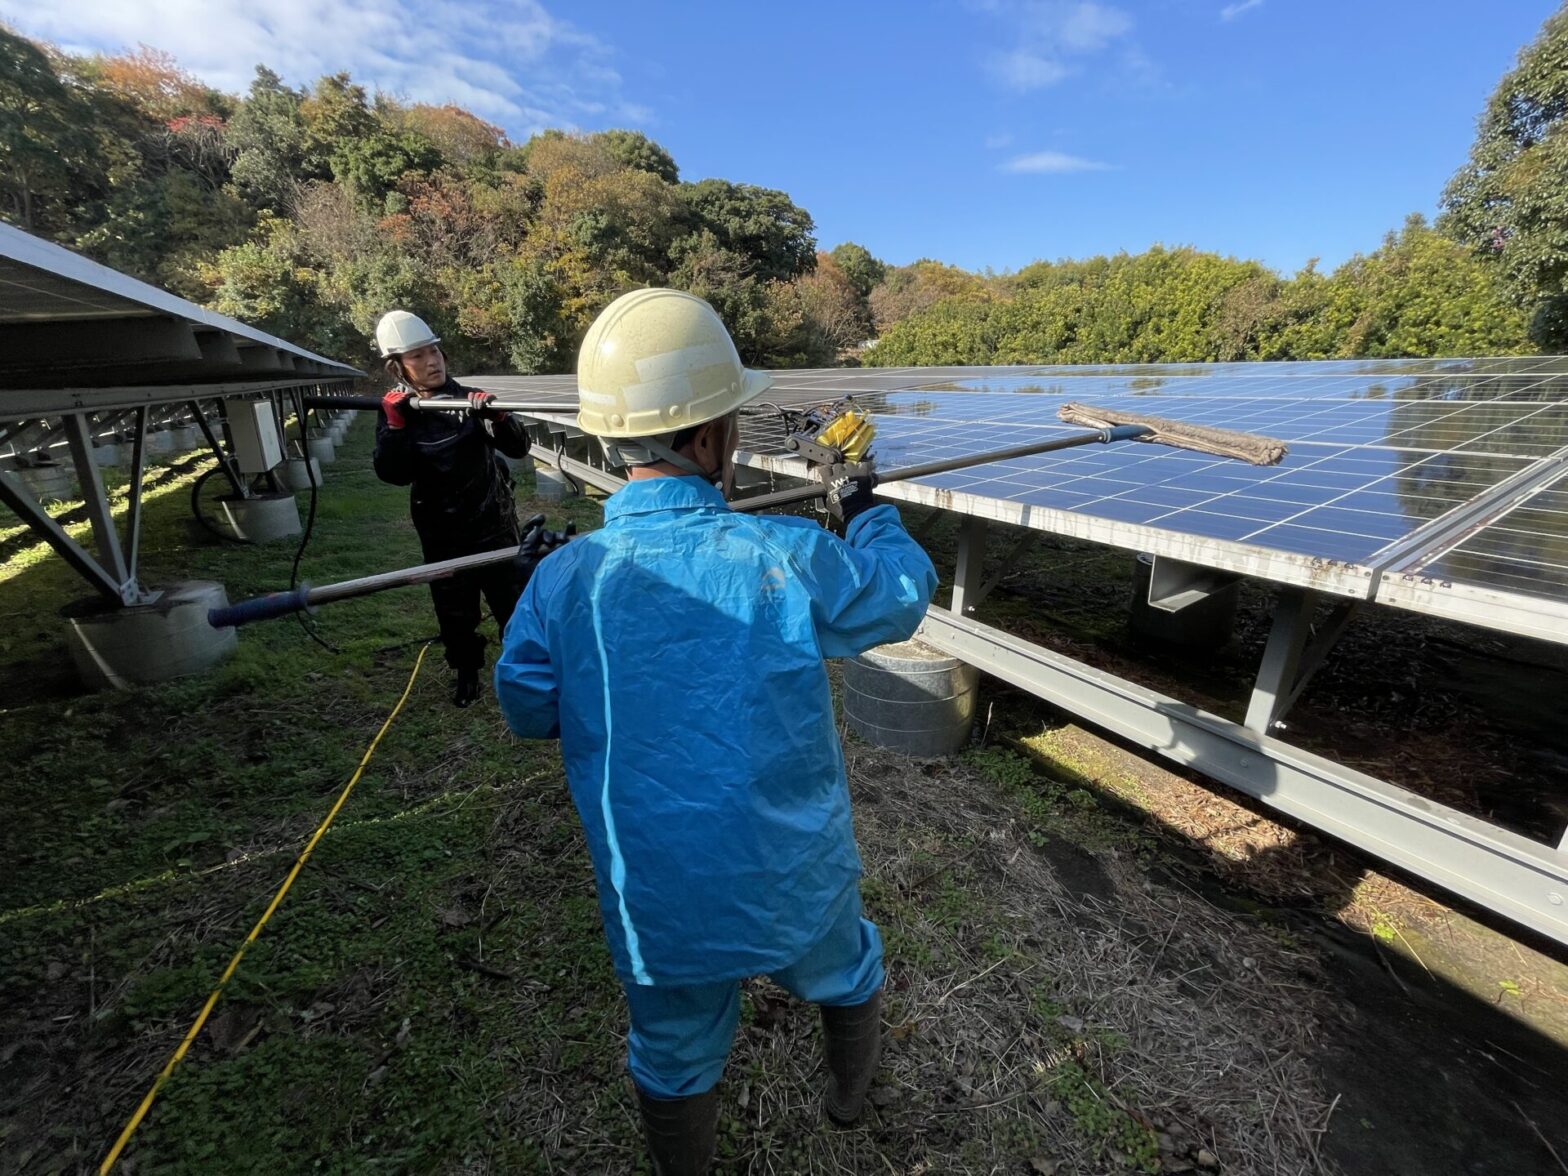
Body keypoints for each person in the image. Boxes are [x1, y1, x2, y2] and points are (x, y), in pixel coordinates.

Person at [493, 288, 937, 1175]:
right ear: (707, 441)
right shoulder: (789, 556)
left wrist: (534, 597)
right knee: (846, 971)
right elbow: (901, 591)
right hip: (793, 871)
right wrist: (863, 502)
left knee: (672, 1049)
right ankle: (849, 1103)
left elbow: (527, 708)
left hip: (658, 894)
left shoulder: (565, 581)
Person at [371, 310, 533, 708]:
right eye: (418, 356)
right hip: (441, 529)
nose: (432, 362)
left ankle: (527, 667)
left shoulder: (471, 398)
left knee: (512, 600)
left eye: (435, 351)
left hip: (491, 520)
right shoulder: (398, 413)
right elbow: (393, 474)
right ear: (398, 368)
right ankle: (467, 671)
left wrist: (498, 416)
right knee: (455, 610)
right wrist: (395, 429)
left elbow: (518, 448)